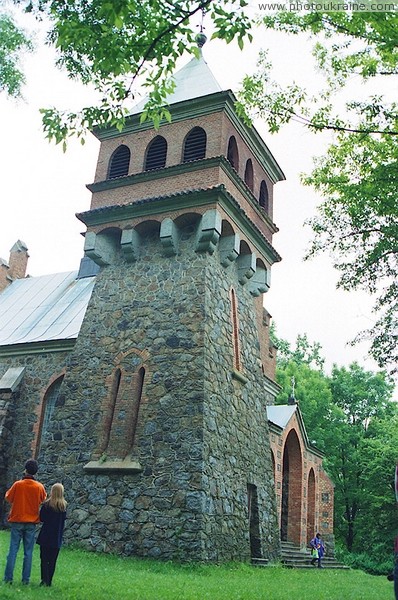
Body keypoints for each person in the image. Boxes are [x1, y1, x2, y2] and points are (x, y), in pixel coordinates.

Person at [3, 459, 47, 585]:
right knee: (28, 552)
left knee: (13, 550)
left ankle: (8, 579)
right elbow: (43, 500)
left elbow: (8, 498)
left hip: (17, 520)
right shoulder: (39, 487)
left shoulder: (18, 484)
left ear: (25, 470)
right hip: (31, 522)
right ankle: (25, 580)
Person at [36, 483, 67, 587]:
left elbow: (42, 518)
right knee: (53, 560)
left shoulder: (47, 505)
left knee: (44, 559)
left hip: (46, 536)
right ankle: (49, 581)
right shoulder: (63, 506)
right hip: (56, 537)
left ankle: (44, 579)